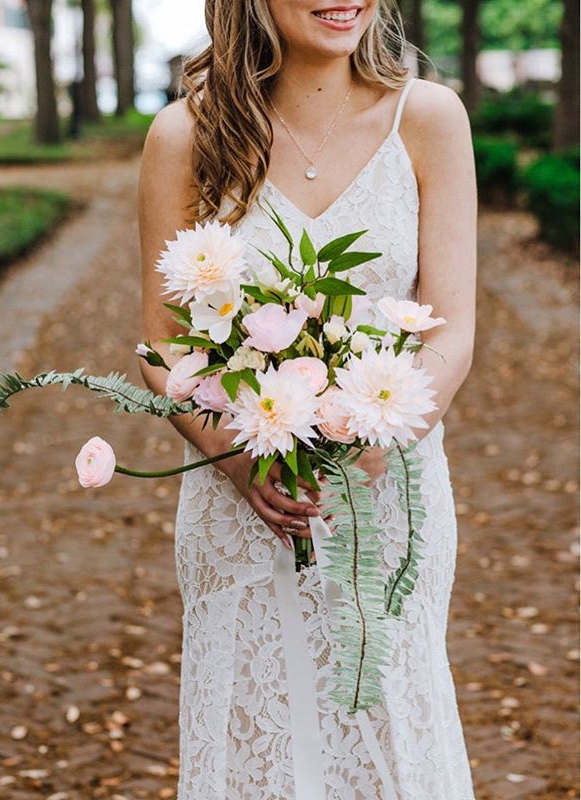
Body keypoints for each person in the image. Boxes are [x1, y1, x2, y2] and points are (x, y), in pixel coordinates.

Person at [137, 1, 477, 797]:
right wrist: (234, 458)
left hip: (388, 495)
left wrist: (376, 442)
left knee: (391, 720)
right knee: (258, 732)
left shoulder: (428, 117)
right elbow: (164, 343)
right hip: (242, 499)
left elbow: (452, 328)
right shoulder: (183, 137)